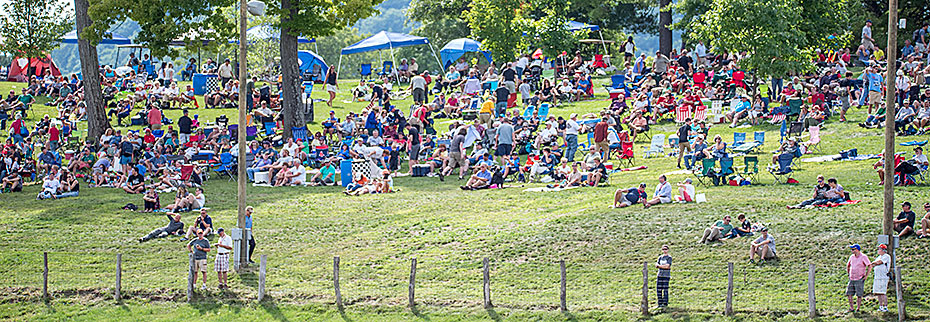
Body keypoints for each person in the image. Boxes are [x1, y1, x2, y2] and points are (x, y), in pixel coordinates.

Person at [846, 244, 871, 313]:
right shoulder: (851, 257)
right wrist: (849, 273)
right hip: (852, 278)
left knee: (859, 294)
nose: (852, 251)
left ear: (857, 249)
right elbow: (848, 265)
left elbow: (869, 265)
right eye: (852, 249)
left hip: (859, 278)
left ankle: (858, 308)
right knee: (849, 293)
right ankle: (851, 307)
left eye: (853, 249)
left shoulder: (863, 257)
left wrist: (866, 275)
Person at [870, 244, 891, 312]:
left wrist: (872, 263)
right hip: (877, 277)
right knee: (878, 292)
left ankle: (885, 306)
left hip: (883, 277)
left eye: (879, 249)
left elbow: (879, 262)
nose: (878, 250)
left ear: (883, 250)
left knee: (883, 292)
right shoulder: (879, 257)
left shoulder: (886, 256)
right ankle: (880, 306)